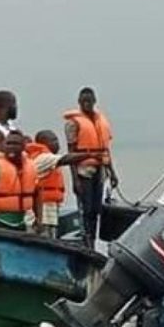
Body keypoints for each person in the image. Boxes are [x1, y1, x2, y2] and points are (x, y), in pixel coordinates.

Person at [64, 87, 118, 247]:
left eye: (89, 100)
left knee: (96, 208)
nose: (87, 104)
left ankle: (93, 240)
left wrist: (112, 172)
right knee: (85, 208)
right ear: (79, 102)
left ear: (94, 101)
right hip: (83, 170)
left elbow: (105, 149)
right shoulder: (73, 123)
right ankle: (86, 239)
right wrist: (75, 180)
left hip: (100, 169)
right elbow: (71, 152)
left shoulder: (101, 120)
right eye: (83, 101)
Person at [26, 130, 102, 238]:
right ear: (42, 142)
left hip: (50, 210)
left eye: (56, 140)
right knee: (44, 238)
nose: (57, 143)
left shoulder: (46, 158)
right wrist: (89, 154)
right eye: (53, 140)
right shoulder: (43, 158)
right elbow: (66, 159)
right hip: (42, 212)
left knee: (51, 236)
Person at [0, 130, 39, 231]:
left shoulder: (31, 167)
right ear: (3, 146)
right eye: (8, 143)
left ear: (23, 147)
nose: (11, 147)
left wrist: (39, 220)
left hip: (23, 221)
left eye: (15, 144)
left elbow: (37, 195)